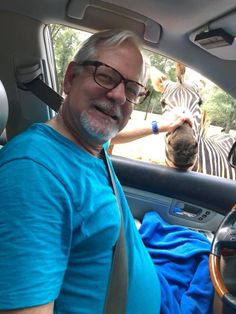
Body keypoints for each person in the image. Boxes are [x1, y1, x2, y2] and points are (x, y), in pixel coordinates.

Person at [0, 29, 192, 314]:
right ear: (70, 79)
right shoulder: (33, 174)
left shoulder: (87, 141)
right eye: (105, 75)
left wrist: (159, 126)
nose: (117, 95)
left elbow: (112, 133)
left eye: (131, 89)